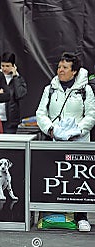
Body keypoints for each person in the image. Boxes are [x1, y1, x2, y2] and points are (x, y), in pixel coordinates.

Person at [36, 52, 95, 232]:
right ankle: (54, 215)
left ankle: (81, 216)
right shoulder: (50, 89)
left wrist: (77, 131)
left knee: (78, 181)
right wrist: (51, 130)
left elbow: (91, 115)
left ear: (74, 71)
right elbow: (40, 113)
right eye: (59, 67)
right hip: (56, 141)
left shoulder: (86, 90)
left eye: (65, 68)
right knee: (56, 178)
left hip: (79, 142)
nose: (60, 70)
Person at [0, 52, 27, 133]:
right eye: (2, 65)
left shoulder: (18, 78)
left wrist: (15, 77)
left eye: (7, 66)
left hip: (11, 120)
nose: (4, 68)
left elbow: (20, 94)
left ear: (13, 66)